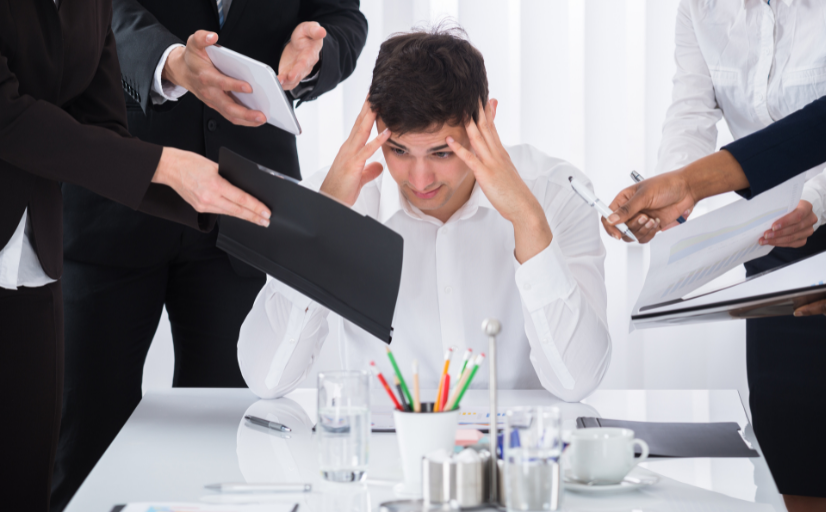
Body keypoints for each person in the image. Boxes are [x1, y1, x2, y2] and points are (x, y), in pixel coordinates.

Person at [51, 1, 367, 509]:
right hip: (117, 193)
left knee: (233, 442)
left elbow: (342, 17)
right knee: (86, 439)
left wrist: (318, 53)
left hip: (246, 207)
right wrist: (170, 61)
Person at [236, 28, 611, 403]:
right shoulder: (332, 198)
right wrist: (323, 220)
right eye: (398, 150)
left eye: (441, 153)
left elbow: (576, 382)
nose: (419, 180)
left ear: (487, 122)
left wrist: (528, 221)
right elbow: (267, 379)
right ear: (375, 126)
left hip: (514, 451)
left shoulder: (558, 193)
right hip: (385, 453)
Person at [0, 0, 271, 509]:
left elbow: (103, 133)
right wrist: (166, 165)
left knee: (28, 480)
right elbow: (8, 115)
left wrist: (206, 194)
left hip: (30, 260)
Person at [603, 4, 826, 506]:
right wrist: (672, 192)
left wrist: (818, 199)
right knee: (805, 463)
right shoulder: (700, 7)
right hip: (775, 239)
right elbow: (691, 112)